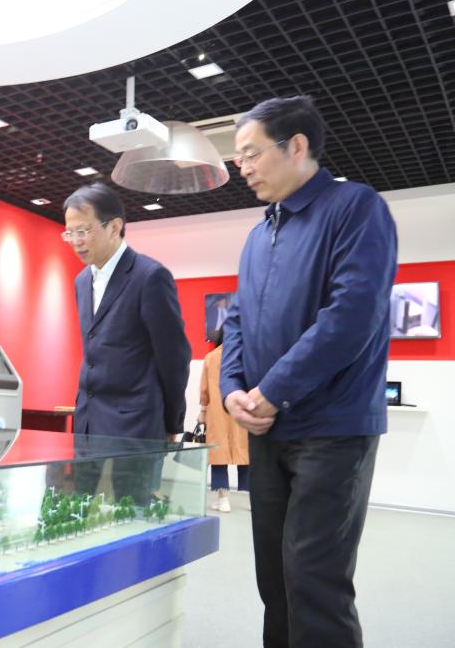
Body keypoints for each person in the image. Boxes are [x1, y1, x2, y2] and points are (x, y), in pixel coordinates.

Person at [220, 95, 397, 647]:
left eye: (251, 153)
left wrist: (272, 391)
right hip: (267, 429)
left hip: (332, 428)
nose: (242, 167)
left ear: (296, 146)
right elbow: (237, 319)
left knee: (314, 583)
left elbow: (351, 316)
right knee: (274, 581)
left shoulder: (355, 208)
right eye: (238, 157)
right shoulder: (259, 233)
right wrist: (232, 390)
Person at [63, 182, 191, 505]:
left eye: (84, 231)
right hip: (88, 425)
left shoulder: (149, 276)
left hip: (135, 426)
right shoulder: (81, 281)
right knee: (79, 517)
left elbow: (174, 355)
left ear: (114, 227)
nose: (76, 241)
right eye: (70, 233)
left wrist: (171, 421)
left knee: (131, 518)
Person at [198, 328, 248, 513]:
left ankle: (223, 499)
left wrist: (202, 411)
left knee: (218, 454)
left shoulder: (211, 358)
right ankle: (251, 499)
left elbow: (204, 390)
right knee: (245, 454)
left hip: (217, 413)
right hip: (241, 411)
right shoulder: (245, 356)